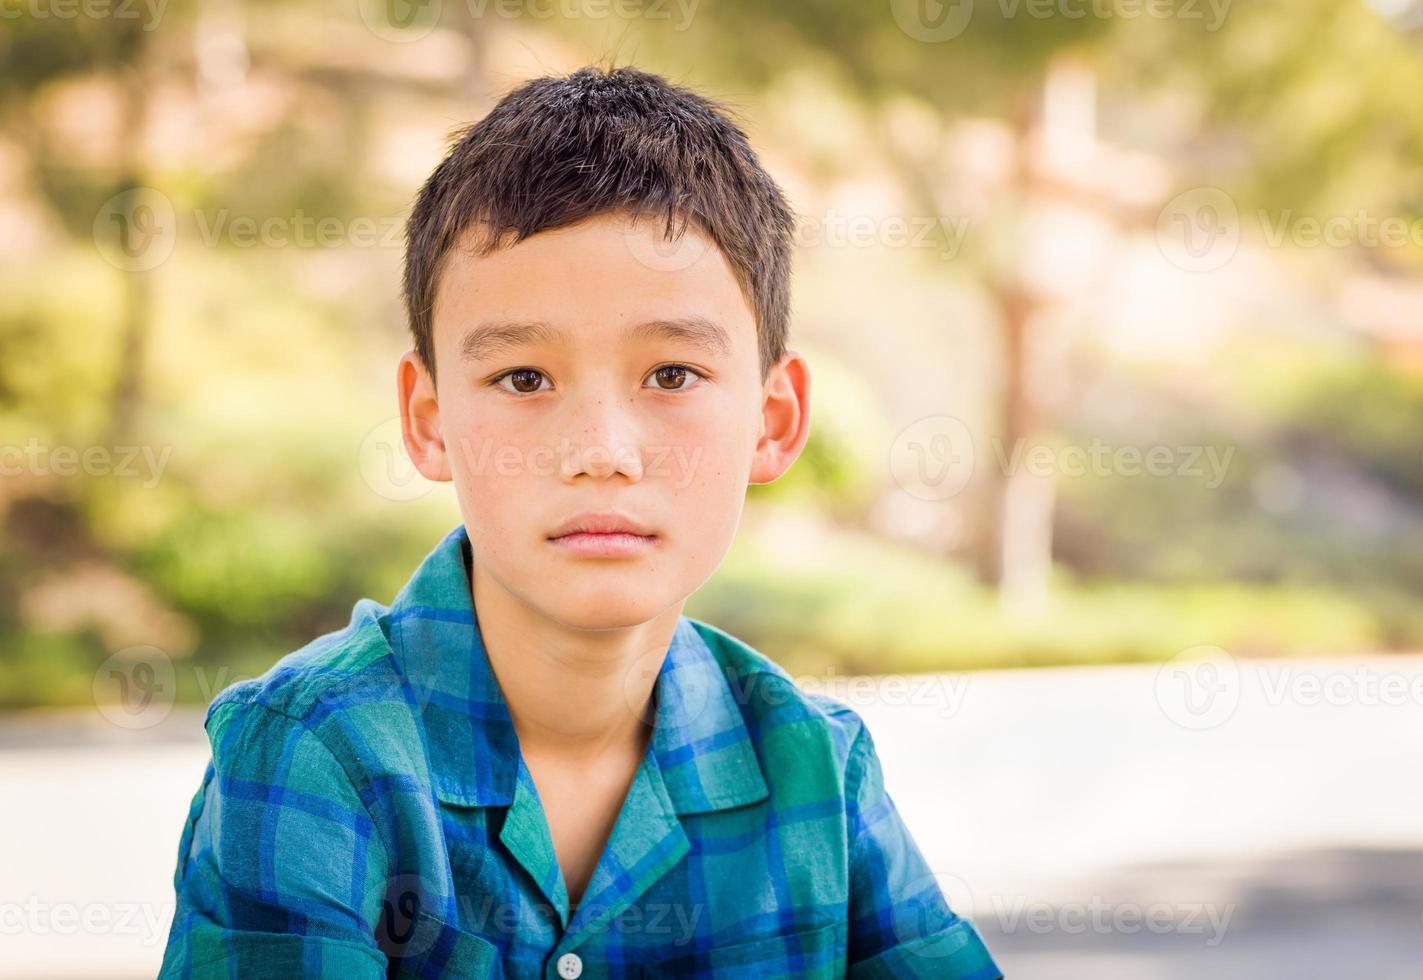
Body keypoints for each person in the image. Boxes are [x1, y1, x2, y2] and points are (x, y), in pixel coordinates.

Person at [158, 64, 1003, 979]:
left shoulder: (817, 775)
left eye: (672, 375)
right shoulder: (316, 751)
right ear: (428, 419)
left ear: (775, 419)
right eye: (524, 379)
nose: (601, 450)